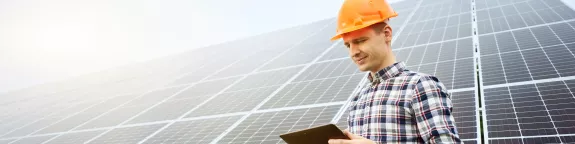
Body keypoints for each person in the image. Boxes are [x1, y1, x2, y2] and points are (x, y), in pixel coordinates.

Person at [327, 0, 462, 143]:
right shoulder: (358, 99)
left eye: (360, 41)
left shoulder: (420, 86)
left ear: (386, 34)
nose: (353, 52)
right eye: (348, 45)